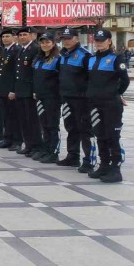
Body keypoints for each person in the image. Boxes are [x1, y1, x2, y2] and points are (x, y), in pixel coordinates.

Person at [85, 29, 129, 183]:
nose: (99, 43)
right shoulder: (91, 59)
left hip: (111, 104)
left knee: (112, 136)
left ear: (109, 41)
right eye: (97, 40)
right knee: (100, 135)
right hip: (94, 104)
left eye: (102, 40)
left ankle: (115, 169)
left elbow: (125, 80)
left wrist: (117, 94)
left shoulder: (116, 57)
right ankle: (104, 165)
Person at [57, 28, 93, 171]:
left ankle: (89, 159)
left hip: (81, 99)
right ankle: (73, 156)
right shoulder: (62, 54)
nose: (66, 41)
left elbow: (91, 78)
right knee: (71, 127)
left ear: (77, 39)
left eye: (69, 38)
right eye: (64, 39)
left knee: (85, 129)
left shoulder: (85, 55)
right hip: (66, 98)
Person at [32, 33, 61, 164]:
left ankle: (54, 152)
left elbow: (60, 79)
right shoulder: (39, 59)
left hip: (53, 97)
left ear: (53, 44)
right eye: (42, 42)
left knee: (52, 125)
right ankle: (46, 149)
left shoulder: (57, 59)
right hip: (40, 97)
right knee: (44, 124)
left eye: (47, 42)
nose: (45, 45)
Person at [14, 27, 41, 156]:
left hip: (30, 91)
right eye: (20, 35)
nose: (22, 37)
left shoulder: (35, 49)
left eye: (25, 34)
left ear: (32, 36)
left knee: (32, 120)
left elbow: (35, 73)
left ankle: (36, 146)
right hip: (20, 90)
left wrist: (35, 90)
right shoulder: (21, 50)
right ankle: (29, 144)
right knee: (23, 119)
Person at [0, 29, 20, 150]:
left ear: (14, 37)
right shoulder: (4, 50)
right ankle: (7, 138)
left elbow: (16, 73)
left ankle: (17, 140)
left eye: (7, 36)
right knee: (6, 116)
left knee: (14, 116)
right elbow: (1, 71)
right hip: (2, 88)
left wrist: (13, 90)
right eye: (3, 36)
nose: (5, 39)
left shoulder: (16, 51)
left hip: (11, 90)